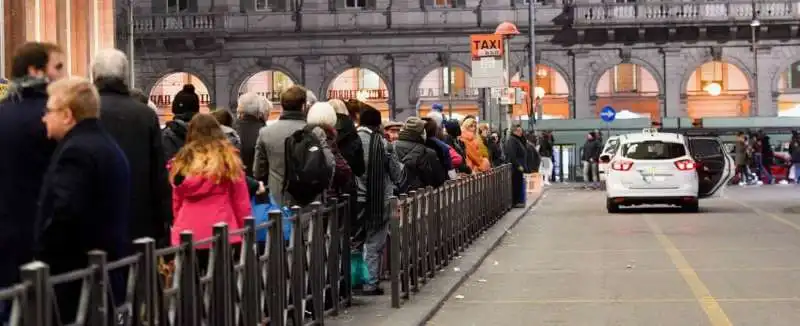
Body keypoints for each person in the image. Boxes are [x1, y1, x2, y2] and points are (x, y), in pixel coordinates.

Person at [36, 77, 131, 323]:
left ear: (67, 115)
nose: (43, 118)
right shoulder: (105, 144)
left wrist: (41, 256)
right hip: (105, 271)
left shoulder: (76, 152)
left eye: (48, 111)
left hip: (78, 278)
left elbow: (64, 213)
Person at [0, 42, 64, 298]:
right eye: (57, 67)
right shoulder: (55, 119)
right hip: (46, 240)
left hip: (5, 238)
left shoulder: (3, 114)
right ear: (36, 71)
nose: (63, 74)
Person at [91, 48, 171, 246]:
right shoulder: (145, 115)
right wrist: (163, 221)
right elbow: (158, 173)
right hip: (139, 220)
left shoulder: (84, 112)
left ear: (94, 75)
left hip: (95, 222)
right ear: (125, 76)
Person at [168, 113, 252, 269]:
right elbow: (241, 201)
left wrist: (177, 224)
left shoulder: (182, 162)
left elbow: (176, 202)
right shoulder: (228, 160)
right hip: (222, 231)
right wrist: (245, 230)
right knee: (222, 286)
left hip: (187, 232)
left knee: (191, 286)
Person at [355, 108, 405, 295]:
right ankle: (370, 283)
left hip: (355, 200)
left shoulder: (350, 140)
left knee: (355, 242)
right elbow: (397, 174)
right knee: (375, 242)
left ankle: (354, 281)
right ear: (377, 125)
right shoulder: (384, 144)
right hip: (379, 200)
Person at [253, 86, 308, 206]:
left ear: (282, 105)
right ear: (303, 105)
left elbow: (258, 170)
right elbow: (328, 166)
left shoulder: (266, 132)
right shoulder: (315, 131)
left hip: (278, 197)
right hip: (309, 199)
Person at [307, 102, 352, 197]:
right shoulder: (329, 136)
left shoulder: (305, 134)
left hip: (308, 194)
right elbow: (338, 167)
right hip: (328, 194)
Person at [394, 117, 446, 190]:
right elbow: (439, 180)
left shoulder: (390, 148)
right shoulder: (429, 153)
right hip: (422, 197)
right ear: (423, 133)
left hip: (396, 197)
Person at [234, 92, 271, 177]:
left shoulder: (231, 127)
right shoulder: (264, 131)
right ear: (259, 109)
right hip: (258, 182)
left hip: (236, 180)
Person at [163, 84, 200, 159]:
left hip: (178, 119)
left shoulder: (179, 95)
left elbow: (174, 108)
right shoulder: (194, 95)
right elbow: (196, 109)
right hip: (190, 119)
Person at [504, 125, 528, 208]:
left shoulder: (517, 140)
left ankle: (516, 201)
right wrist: (518, 166)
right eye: (518, 130)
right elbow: (512, 155)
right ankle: (514, 202)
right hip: (515, 167)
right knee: (515, 184)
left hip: (518, 167)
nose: (520, 132)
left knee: (518, 184)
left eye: (521, 130)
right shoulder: (512, 140)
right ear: (514, 131)